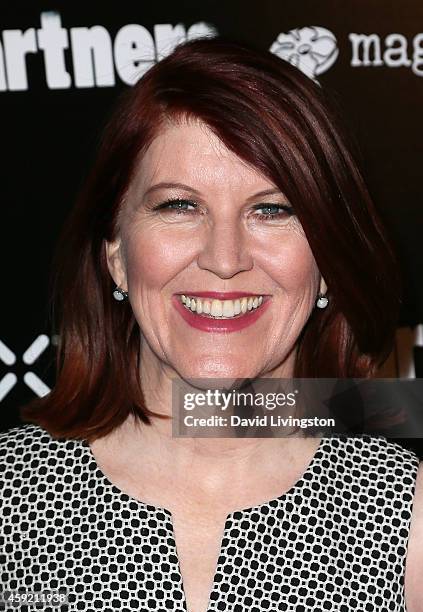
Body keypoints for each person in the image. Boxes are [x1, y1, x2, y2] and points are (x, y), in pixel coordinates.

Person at [1, 36, 422, 612]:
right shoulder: (12, 497)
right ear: (116, 254)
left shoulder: (407, 517)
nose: (224, 259)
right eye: (179, 206)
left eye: (272, 209)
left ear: (328, 263)